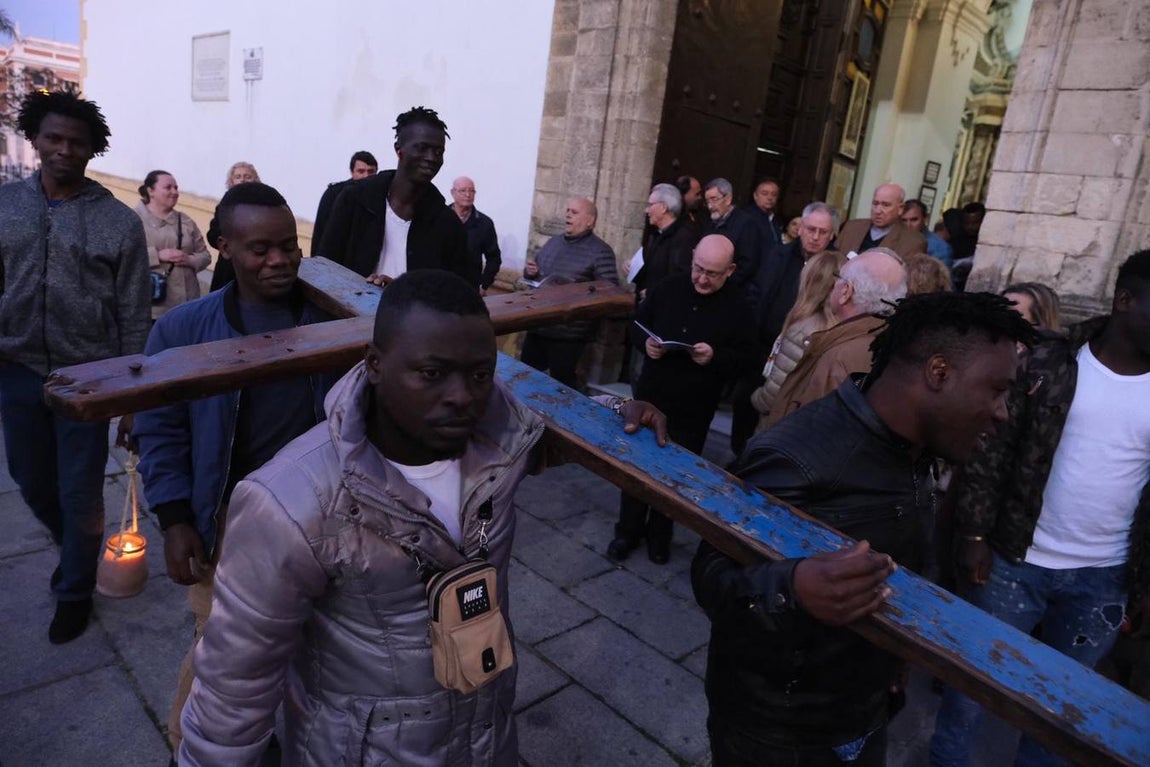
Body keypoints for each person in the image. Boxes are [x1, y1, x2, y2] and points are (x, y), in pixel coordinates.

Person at [177, 269, 667, 766]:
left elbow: (543, 434)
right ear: (374, 364)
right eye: (433, 374)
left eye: (480, 375)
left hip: (485, 737)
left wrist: (617, 410)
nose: (462, 396)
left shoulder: (498, 439)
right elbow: (234, 687)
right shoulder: (291, 503)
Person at [694, 291, 1037, 767]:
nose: (1003, 412)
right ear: (938, 372)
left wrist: (895, 658)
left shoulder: (917, 448)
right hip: (778, 734)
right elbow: (711, 577)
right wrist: (793, 589)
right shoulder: (798, 454)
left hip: (865, 712)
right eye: (997, 389)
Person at [134, 182, 345, 755]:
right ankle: (194, 746)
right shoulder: (182, 331)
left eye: (289, 245)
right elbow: (160, 429)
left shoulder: (333, 320)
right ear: (224, 246)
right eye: (260, 249)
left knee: (320, 644)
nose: (279, 260)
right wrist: (176, 517)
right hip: (231, 519)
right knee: (221, 648)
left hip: (323, 514)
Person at [929, 251, 1150, 767]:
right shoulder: (1052, 360)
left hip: (1104, 577)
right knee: (972, 690)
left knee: (1064, 712)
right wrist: (974, 534)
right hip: (1013, 560)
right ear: (1125, 300)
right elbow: (991, 450)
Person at [0, 90, 150, 643]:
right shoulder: (5, 205)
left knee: (80, 491)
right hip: (17, 368)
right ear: (35, 139)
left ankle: (75, 589)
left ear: (93, 149)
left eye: (77, 142)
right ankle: (77, 552)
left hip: (88, 378)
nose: (64, 149)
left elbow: (134, 312)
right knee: (29, 479)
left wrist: (134, 400)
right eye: (54, 138)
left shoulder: (118, 222)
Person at [609, 235, 758, 564]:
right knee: (636, 467)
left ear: (730, 270)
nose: (702, 279)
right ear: (692, 258)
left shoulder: (740, 307)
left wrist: (715, 356)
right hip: (651, 395)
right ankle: (627, 532)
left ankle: (659, 536)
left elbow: (749, 359)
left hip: (695, 406)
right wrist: (646, 344)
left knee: (676, 474)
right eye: (698, 269)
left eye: (712, 274)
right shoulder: (668, 287)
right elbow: (637, 326)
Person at [318, 107, 476, 287]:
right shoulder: (354, 200)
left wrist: (402, 293)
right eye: (422, 148)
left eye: (439, 152)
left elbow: (456, 292)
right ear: (399, 150)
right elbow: (324, 270)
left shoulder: (447, 224)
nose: (431, 158)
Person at [733, 202, 841, 454]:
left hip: (799, 356)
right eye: (810, 229)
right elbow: (756, 291)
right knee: (744, 403)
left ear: (832, 235)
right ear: (800, 228)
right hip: (762, 348)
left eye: (822, 232)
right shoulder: (777, 254)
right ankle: (739, 454)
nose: (815, 237)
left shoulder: (836, 268)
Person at [766, 248, 908, 427]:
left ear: (846, 292)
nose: (834, 286)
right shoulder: (893, 345)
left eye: (838, 279)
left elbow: (813, 430)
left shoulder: (839, 357)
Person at [520, 197, 619, 388]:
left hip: (569, 334)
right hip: (539, 326)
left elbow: (609, 291)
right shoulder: (553, 243)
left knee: (561, 388)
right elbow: (537, 275)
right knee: (525, 381)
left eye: (574, 212)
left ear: (590, 221)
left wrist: (573, 292)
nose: (568, 215)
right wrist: (531, 273)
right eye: (567, 211)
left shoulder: (601, 251)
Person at [750, 251, 841, 427]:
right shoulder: (837, 328)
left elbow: (777, 391)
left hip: (779, 423)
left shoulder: (803, 330)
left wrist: (756, 399)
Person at [135, 170, 211, 320]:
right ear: (150, 191)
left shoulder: (186, 221)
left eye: (176, 188)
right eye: (168, 187)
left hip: (187, 305)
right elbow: (124, 257)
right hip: (151, 308)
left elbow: (205, 256)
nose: (174, 192)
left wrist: (190, 260)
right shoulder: (133, 219)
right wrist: (157, 256)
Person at [632, 182, 698, 301]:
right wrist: (633, 268)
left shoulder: (683, 238)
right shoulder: (656, 235)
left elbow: (680, 278)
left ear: (663, 207)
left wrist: (654, 291)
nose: (646, 210)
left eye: (650, 205)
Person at [207, 161, 263, 290]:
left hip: (255, 265)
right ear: (231, 181)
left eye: (247, 176)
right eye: (238, 177)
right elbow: (213, 235)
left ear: (255, 180)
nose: (242, 180)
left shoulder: (263, 205)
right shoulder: (224, 205)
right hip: (228, 267)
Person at [702, 178, 761, 298]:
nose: (710, 206)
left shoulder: (746, 224)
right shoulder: (711, 223)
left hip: (730, 291)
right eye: (707, 201)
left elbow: (747, 264)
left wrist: (723, 283)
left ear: (728, 199)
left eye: (714, 199)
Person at [311, 150, 378, 255]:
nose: (366, 176)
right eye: (361, 171)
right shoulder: (334, 194)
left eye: (371, 172)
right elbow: (321, 230)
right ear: (352, 172)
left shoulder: (380, 197)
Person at [836, 183, 926, 261]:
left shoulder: (912, 242)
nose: (878, 211)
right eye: (875, 203)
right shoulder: (851, 227)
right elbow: (833, 261)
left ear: (900, 209)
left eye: (886, 205)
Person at [449, 175, 502, 293]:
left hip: (470, 287)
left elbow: (494, 257)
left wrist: (484, 284)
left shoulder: (484, 223)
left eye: (471, 191)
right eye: (463, 190)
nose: (468, 195)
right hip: (442, 285)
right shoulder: (440, 218)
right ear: (453, 193)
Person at [901, 199, 953, 269]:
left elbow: (939, 275)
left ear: (925, 218)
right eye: (904, 220)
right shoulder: (895, 240)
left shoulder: (941, 248)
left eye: (914, 220)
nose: (908, 225)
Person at [744, 178, 784, 251]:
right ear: (755, 196)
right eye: (765, 194)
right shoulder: (747, 217)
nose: (770, 198)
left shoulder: (775, 219)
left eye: (774, 195)